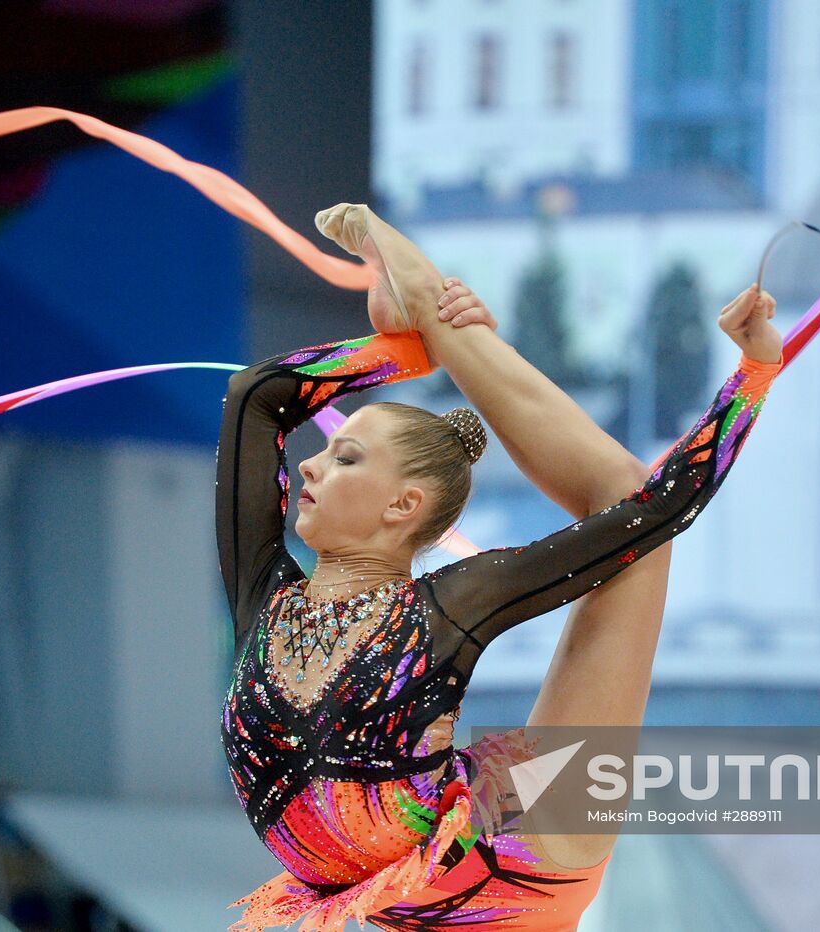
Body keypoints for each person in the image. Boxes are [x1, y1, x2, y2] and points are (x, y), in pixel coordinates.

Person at [218, 203, 782, 931]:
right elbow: (257, 399)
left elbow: (667, 503)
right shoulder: (264, 598)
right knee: (621, 506)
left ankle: (452, 333)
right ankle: (447, 333)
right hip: (443, 858)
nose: (312, 465)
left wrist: (756, 373)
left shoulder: (449, 604)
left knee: (631, 519)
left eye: (345, 456)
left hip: (509, 865)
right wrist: (403, 354)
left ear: (403, 505)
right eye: (328, 450)